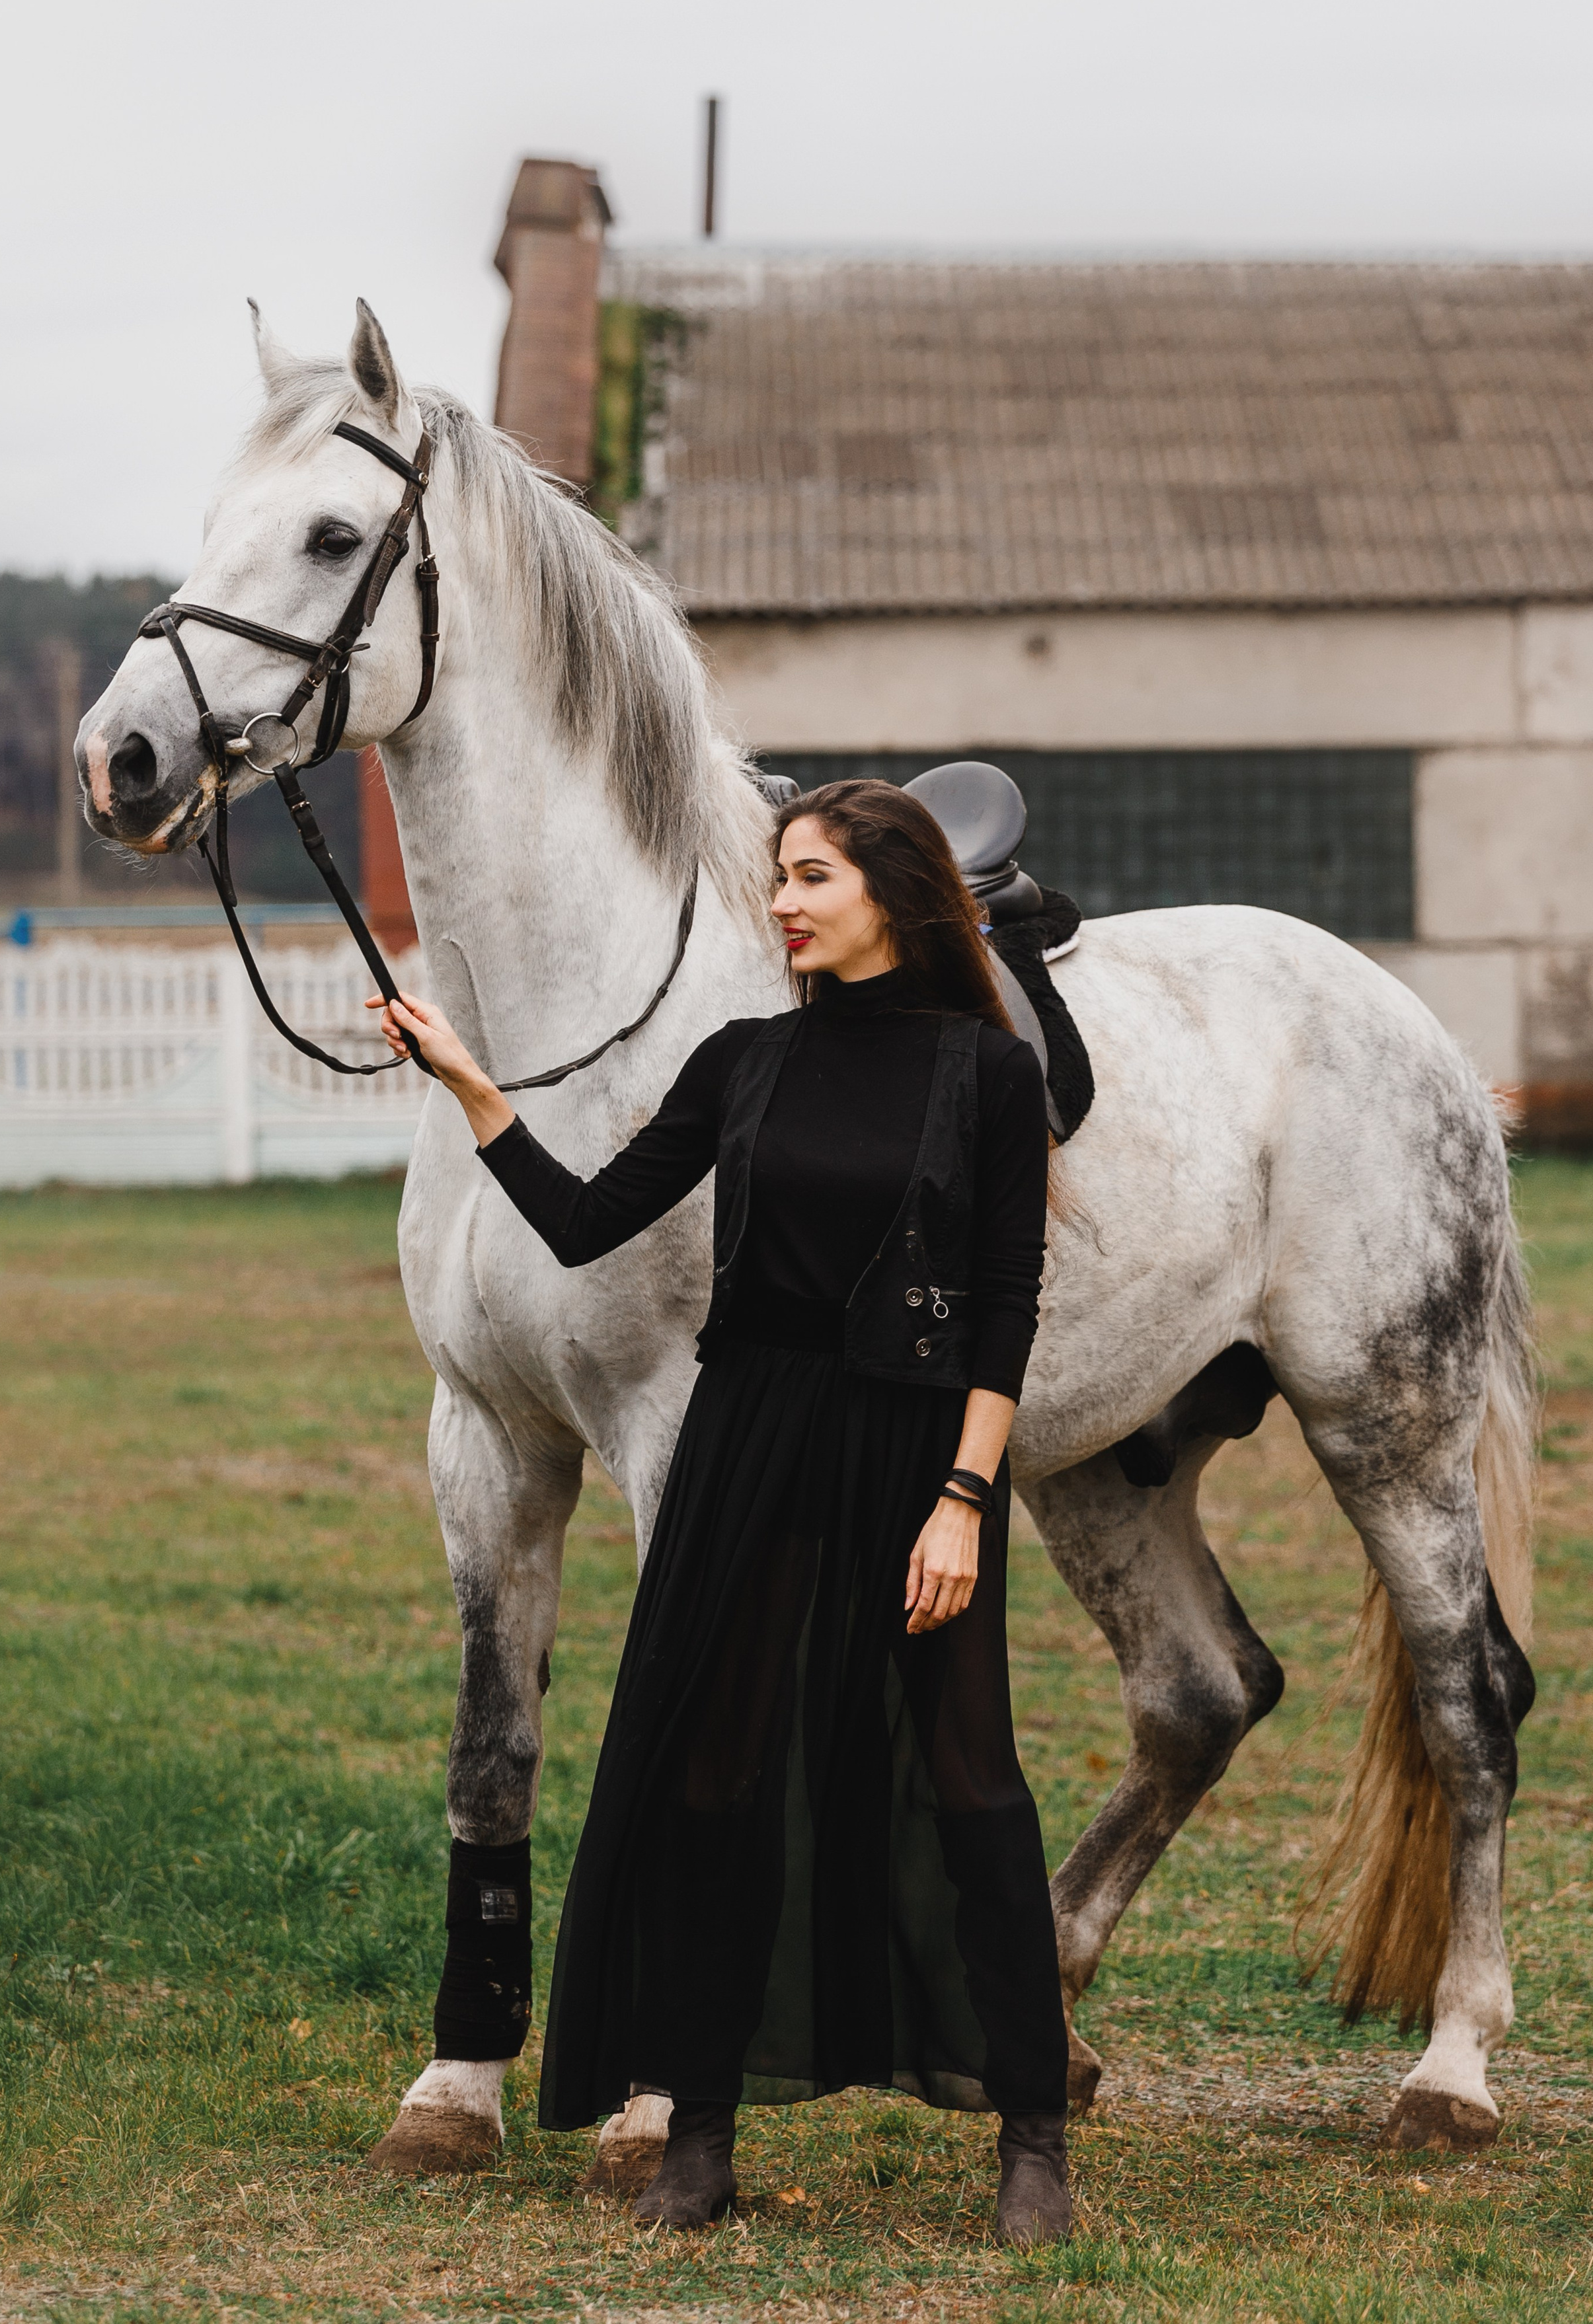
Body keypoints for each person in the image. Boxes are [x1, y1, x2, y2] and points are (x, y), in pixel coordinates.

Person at [373, 778, 1071, 2246]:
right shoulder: (743, 1060)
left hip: (910, 1449)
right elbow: (581, 1217)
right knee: (714, 1778)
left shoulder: (984, 1076)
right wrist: (468, 1082)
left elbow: (1006, 1302)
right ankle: (696, 2128)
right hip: (747, 1445)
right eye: (778, 879)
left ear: (890, 886)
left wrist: (961, 1497)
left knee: (968, 1784)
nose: (783, 903)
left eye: (811, 876)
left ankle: (1029, 2136)